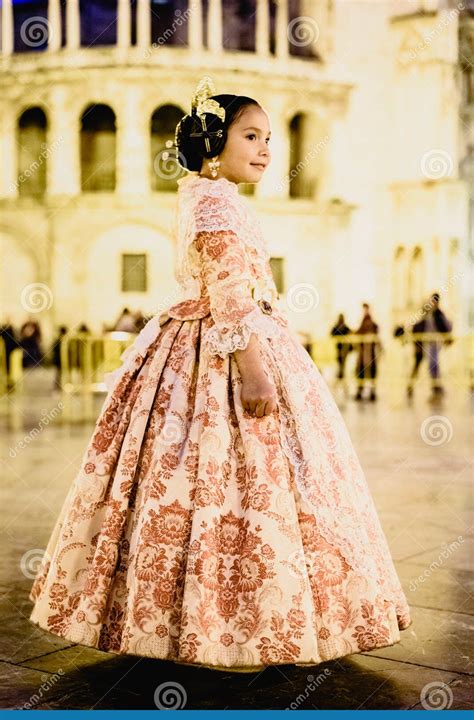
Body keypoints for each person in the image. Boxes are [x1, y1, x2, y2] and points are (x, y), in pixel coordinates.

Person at [29, 76, 411, 673]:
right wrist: (255, 371)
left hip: (220, 339)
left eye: (269, 138)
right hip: (231, 348)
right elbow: (230, 293)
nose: (265, 149)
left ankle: (206, 621)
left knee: (204, 482)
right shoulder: (215, 200)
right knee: (242, 479)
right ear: (215, 141)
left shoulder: (205, 194)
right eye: (251, 136)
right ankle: (241, 625)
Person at [354, 303, 381, 402]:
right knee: (362, 372)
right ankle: (361, 391)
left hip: (369, 353)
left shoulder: (370, 323)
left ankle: (370, 392)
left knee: (369, 372)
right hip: (364, 352)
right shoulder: (365, 322)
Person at [330, 313, 352, 381]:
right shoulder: (337, 327)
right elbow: (331, 333)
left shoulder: (345, 327)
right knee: (340, 362)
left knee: (342, 363)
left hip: (345, 348)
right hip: (339, 348)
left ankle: (341, 375)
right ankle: (340, 375)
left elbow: (350, 333)